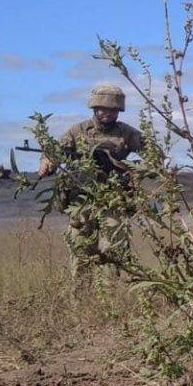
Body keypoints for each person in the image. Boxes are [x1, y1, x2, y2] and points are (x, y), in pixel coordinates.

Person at [37, 82, 144, 273]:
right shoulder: (78, 131)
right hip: (82, 200)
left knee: (112, 252)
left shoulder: (127, 133)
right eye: (103, 108)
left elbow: (153, 153)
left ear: (119, 110)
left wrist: (134, 169)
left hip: (113, 199)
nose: (107, 113)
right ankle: (80, 302)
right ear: (95, 107)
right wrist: (46, 162)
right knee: (80, 253)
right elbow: (55, 152)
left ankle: (109, 301)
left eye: (113, 109)